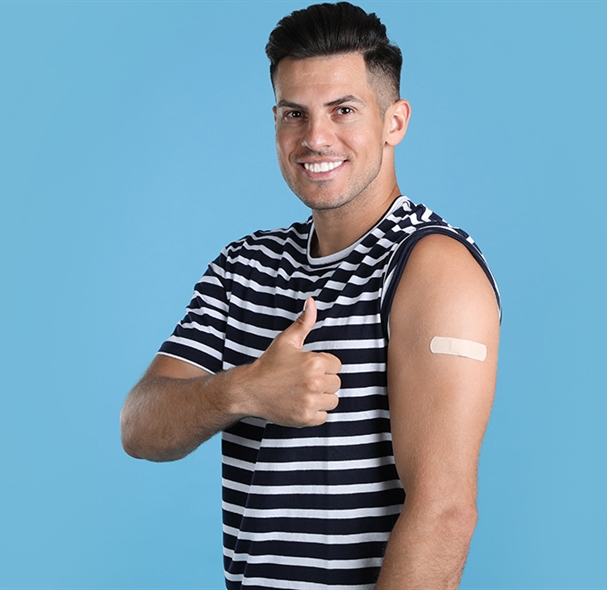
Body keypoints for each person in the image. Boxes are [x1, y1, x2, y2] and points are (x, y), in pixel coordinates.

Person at [120, 3, 501, 588]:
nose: (315, 138)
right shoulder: (244, 266)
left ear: (394, 122)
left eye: (343, 110)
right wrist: (243, 389)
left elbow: (444, 511)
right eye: (293, 114)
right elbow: (140, 427)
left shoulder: (432, 268)